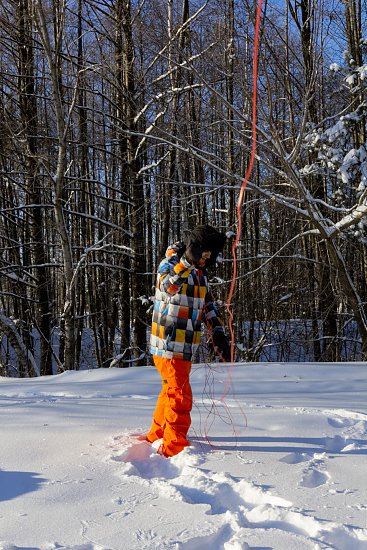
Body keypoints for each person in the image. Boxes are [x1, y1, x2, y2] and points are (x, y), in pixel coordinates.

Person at [146, 224, 230, 457]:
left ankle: (157, 435)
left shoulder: (200, 272)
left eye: (211, 255)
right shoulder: (171, 263)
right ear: (195, 247)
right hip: (169, 343)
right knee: (180, 396)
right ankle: (174, 448)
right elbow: (167, 286)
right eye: (205, 253)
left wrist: (218, 332)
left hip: (184, 345)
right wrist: (186, 262)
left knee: (170, 391)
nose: (207, 258)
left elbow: (207, 305)